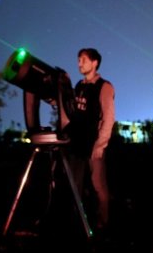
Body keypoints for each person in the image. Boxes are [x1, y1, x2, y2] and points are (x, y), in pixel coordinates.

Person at [67, 47, 115, 235]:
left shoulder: (104, 86)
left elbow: (108, 118)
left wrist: (100, 145)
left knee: (98, 186)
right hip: (76, 144)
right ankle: (77, 220)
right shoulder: (79, 86)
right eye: (79, 60)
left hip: (93, 145)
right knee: (75, 185)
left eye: (84, 60)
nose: (80, 63)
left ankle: (104, 222)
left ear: (95, 63)